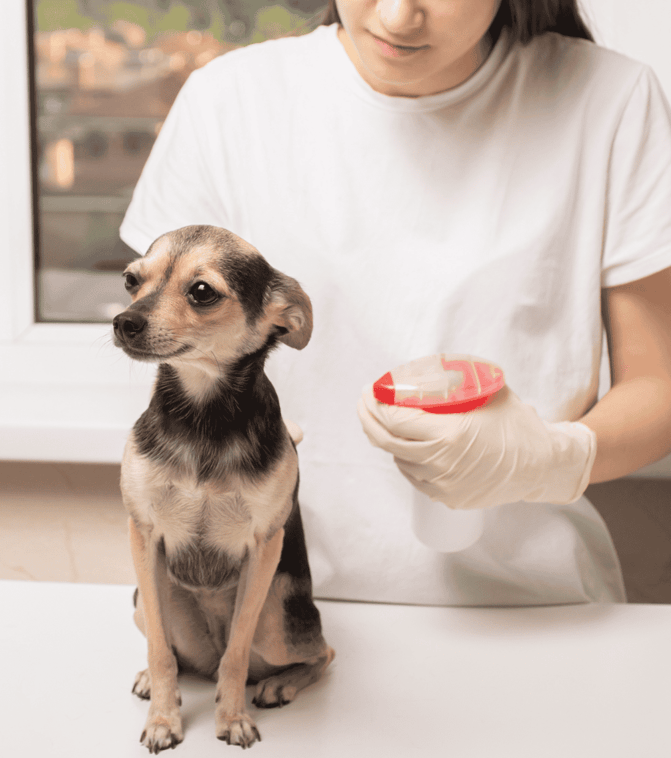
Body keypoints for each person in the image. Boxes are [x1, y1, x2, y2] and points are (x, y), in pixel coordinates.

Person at [119, 0, 671, 605]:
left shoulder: (613, 101)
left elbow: (658, 388)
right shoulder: (229, 102)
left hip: (536, 602)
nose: (399, 16)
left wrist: (550, 460)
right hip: (279, 603)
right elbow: (164, 339)